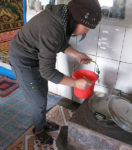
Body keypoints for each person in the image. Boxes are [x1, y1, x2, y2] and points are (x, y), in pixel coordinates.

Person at [9, 0, 101, 144]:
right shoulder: (52, 26)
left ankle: (41, 122)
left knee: (42, 92)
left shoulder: (64, 16)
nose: (86, 32)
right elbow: (48, 72)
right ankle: (39, 130)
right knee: (38, 101)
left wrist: (77, 54)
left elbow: (59, 42)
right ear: (76, 20)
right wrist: (75, 83)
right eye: (86, 28)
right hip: (23, 60)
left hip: (35, 56)